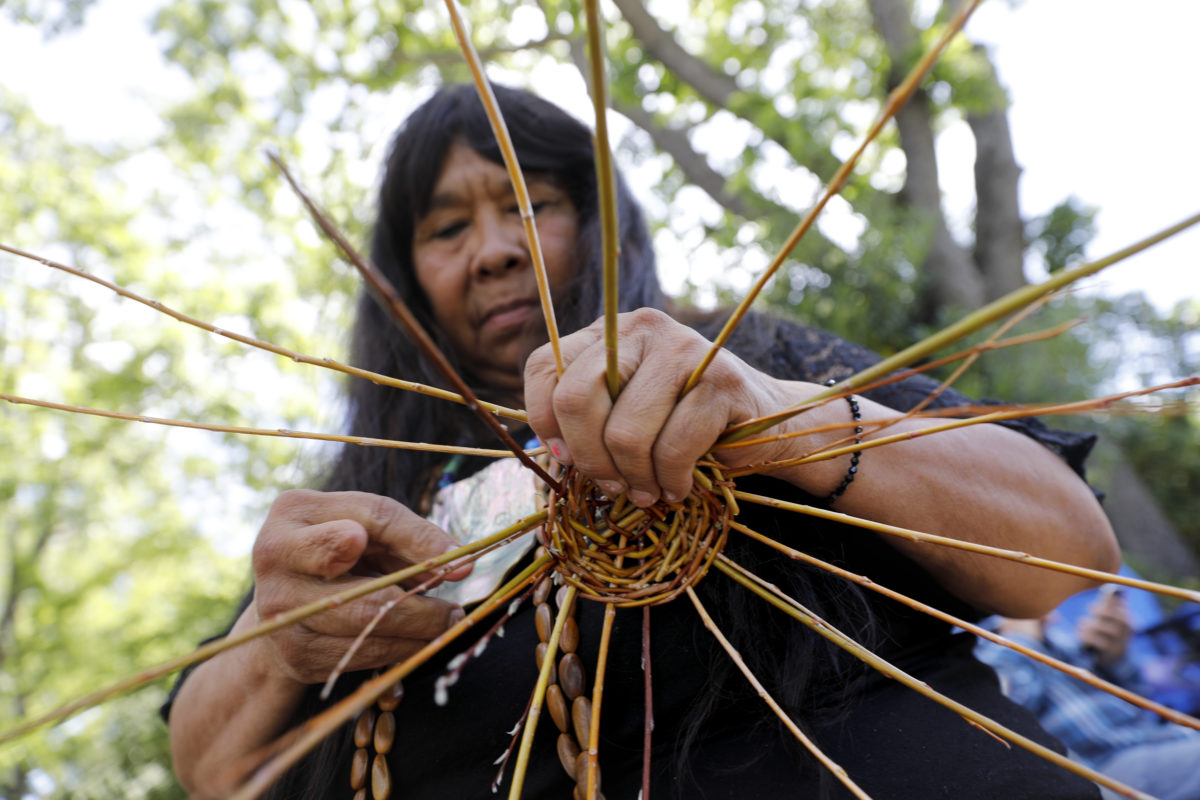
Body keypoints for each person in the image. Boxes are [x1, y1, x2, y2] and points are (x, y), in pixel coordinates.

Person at [164, 83, 1121, 800]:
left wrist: (786, 418)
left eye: (529, 205)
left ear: (594, 218)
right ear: (408, 281)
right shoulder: (370, 494)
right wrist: (273, 640)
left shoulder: (749, 350)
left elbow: (1070, 557)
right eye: (447, 227)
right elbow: (211, 770)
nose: (494, 249)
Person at [977, 588, 1200, 800]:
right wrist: (1019, 639)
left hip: (1153, 737)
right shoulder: (978, 651)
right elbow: (1002, 709)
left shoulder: (1056, 635)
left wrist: (1114, 659)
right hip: (1104, 764)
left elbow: (1139, 698)